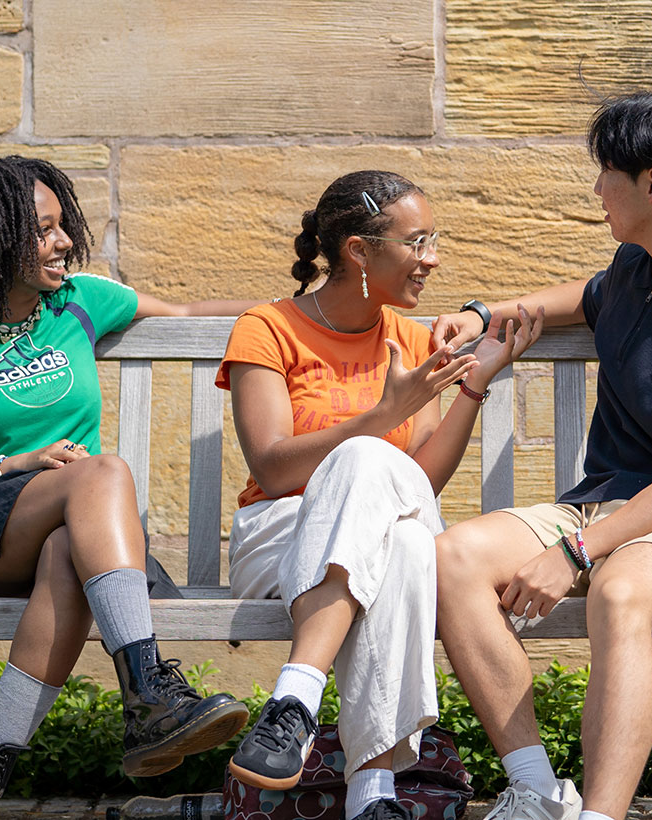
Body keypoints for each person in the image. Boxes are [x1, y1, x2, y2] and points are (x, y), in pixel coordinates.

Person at [429, 92, 652, 820]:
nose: (597, 190)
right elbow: (581, 299)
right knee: (449, 557)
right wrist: (481, 313)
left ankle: (601, 816)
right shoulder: (636, 266)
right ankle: (535, 788)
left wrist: (576, 552)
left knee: (621, 590)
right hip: (602, 505)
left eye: (607, 174)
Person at [0, 156, 259, 820]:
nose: (64, 243)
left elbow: (182, 310)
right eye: (42, 230)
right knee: (104, 470)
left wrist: (305, 310)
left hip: (72, 535)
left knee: (69, 550)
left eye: (62, 225)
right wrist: (18, 463)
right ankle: (149, 689)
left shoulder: (80, 301)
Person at [217, 170, 543, 820]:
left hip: (377, 543)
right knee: (372, 471)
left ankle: (310, 725)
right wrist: (377, 417)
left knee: (398, 542)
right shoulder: (267, 327)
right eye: (416, 240)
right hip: (281, 535)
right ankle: (364, 777)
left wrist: (471, 387)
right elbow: (276, 468)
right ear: (359, 251)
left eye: (433, 238)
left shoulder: (412, 340)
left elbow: (417, 485)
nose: (433, 256)